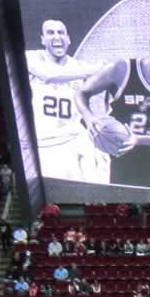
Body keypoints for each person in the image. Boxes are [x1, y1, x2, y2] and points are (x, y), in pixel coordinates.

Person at [73, 27, 150, 189]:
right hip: (120, 159)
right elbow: (82, 92)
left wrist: (137, 139)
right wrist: (88, 116)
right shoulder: (122, 69)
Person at [26, 18, 104, 182]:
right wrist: (95, 70)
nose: (57, 37)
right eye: (50, 33)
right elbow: (49, 75)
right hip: (43, 143)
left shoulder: (80, 66)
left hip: (74, 138)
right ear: (42, 40)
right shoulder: (31, 58)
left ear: (68, 39)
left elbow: (94, 106)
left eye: (61, 33)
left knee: (93, 183)